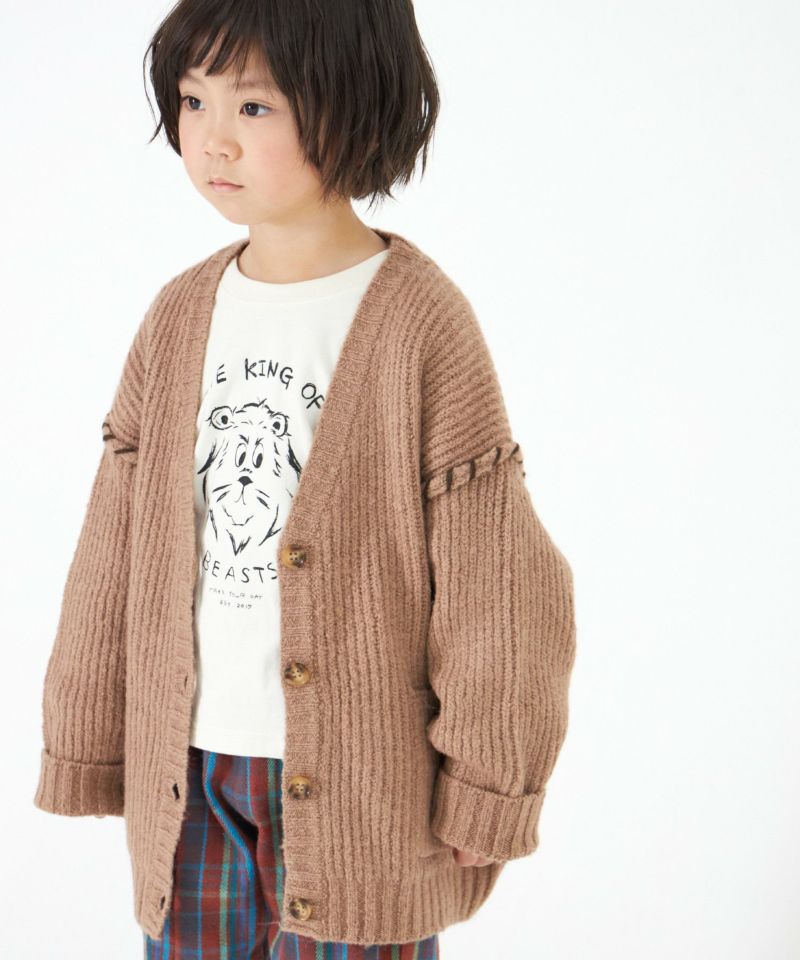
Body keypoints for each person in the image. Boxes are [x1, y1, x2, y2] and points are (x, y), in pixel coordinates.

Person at [33, 1, 577, 956]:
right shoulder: (179, 315)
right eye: (192, 101)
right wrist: (84, 731)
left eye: (253, 108)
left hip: (366, 788)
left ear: (352, 104)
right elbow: (115, 539)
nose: (211, 139)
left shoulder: (420, 325)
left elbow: (497, 582)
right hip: (189, 767)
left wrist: (492, 780)